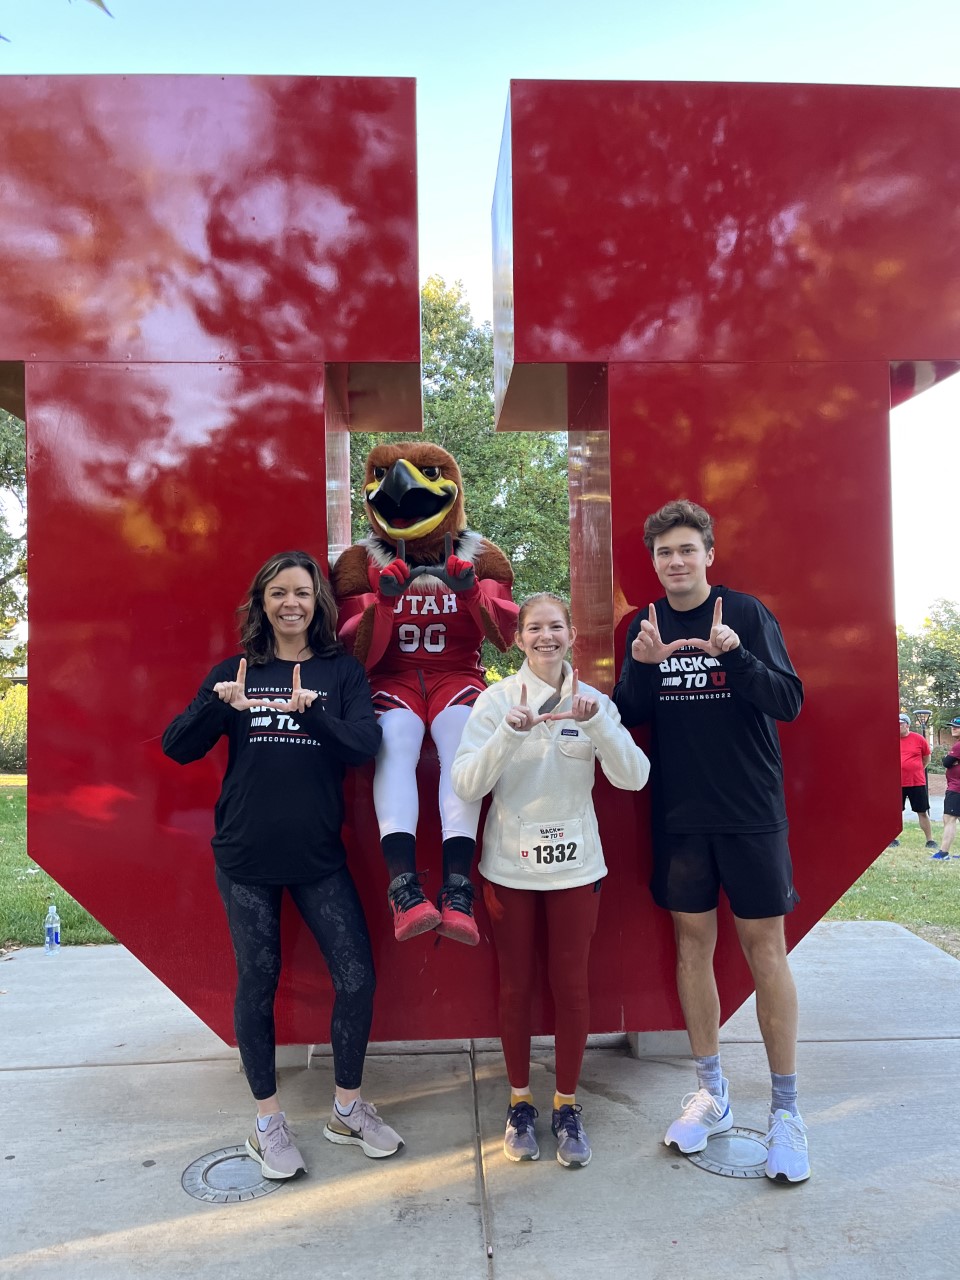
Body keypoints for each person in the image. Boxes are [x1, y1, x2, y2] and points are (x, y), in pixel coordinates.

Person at [162, 550, 403, 1180]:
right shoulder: (238, 670)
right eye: (278, 593)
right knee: (258, 984)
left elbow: (364, 747)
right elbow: (177, 747)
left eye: (302, 592)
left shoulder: (341, 673)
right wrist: (221, 704)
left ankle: (347, 1108)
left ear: (317, 603)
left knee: (357, 979)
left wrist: (313, 711)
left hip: (319, 858)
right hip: (246, 859)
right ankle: (268, 1121)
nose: (290, 603)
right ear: (262, 604)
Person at [612, 499, 809, 1184]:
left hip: (751, 814)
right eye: (664, 553)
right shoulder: (644, 622)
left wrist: (738, 655)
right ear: (655, 562)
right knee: (692, 947)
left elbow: (789, 700)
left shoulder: (745, 614)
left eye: (686, 549)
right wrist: (639, 666)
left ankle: (787, 1112)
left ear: (709, 554)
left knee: (765, 951)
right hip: (680, 818)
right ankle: (712, 1094)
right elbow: (631, 715)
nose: (675, 562)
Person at [451, 593, 649, 1169]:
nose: (545, 637)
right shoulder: (493, 701)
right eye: (533, 628)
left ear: (570, 636)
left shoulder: (592, 702)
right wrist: (508, 734)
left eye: (555, 627)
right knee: (515, 987)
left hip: (576, 871)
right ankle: (519, 1103)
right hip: (508, 871)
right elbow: (465, 785)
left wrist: (599, 730)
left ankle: (566, 1105)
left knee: (573, 987)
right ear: (519, 639)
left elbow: (634, 777)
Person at [892, 713, 937, 851]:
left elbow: (926, 758)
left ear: (907, 725)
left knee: (922, 811)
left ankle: (930, 840)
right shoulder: (890, 739)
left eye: (900, 723)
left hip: (916, 782)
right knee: (895, 812)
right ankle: (892, 839)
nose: (897, 726)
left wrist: (916, 769)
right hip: (895, 784)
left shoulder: (918, 739)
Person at [932, 716, 960, 860]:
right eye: (952, 726)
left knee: (949, 818)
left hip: (957, 789)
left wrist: (951, 760)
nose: (953, 728)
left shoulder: (958, 746)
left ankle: (943, 853)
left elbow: (946, 762)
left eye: (956, 727)